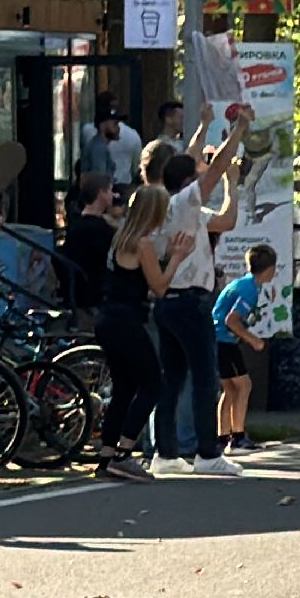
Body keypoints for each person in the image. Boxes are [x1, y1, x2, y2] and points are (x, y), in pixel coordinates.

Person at [149, 108, 252, 477]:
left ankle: (165, 453)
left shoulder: (172, 208)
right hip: (190, 301)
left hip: (169, 301)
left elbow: (226, 219)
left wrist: (205, 125)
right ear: (187, 182)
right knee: (206, 376)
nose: (201, 177)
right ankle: (208, 453)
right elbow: (216, 165)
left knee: (172, 379)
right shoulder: (183, 203)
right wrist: (239, 128)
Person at [93, 186, 195, 481]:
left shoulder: (120, 238)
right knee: (153, 385)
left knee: (124, 388)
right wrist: (177, 257)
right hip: (127, 320)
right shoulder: (143, 244)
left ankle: (106, 457)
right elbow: (159, 287)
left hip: (108, 317)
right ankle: (124, 453)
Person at [214, 244, 276, 452]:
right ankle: (238, 437)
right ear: (270, 269)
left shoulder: (245, 283)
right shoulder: (249, 289)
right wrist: (253, 340)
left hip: (221, 339)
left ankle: (223, 437)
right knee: (244, 385)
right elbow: (232, 321)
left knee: (231, 389)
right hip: (223, 340)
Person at [60, 172, 116, 312]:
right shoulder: (100, 229)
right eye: (110, 190)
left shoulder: (76, 225)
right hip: (96, 294)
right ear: (102, 193)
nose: (113, 195)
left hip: (78, 292)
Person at [80, 108, 133, 187]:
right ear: (102, 126)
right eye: (115, 124)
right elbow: (100, 181)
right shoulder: (98, 148)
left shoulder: (99, 145)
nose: (118, 128)